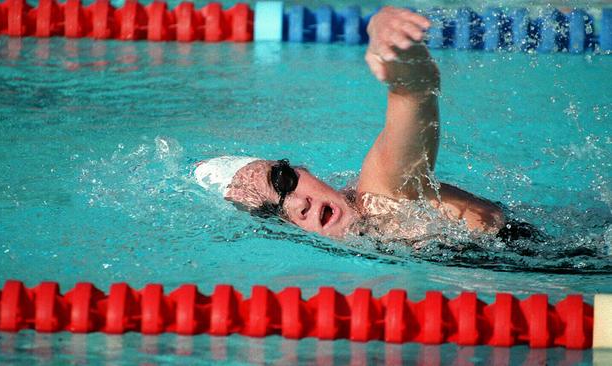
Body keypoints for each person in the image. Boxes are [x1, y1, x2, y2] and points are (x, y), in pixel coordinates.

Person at [195, 7, 532, 245]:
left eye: (283, 181)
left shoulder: (379, 194)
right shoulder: (367, 238)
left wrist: (388, 38)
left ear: (303, 170)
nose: (297, 204)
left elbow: (415, 96)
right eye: (271, 213)